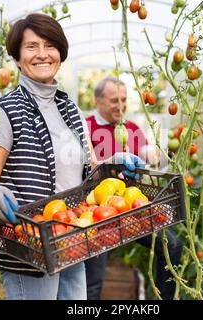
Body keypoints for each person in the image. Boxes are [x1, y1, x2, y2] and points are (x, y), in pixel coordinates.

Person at [0, 14, 144, 300]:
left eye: (50, 45)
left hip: (71, 239)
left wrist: (115, 161)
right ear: (16, 57)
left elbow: (89, 169)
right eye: (31, 46)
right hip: (29, 244)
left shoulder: (70, 109)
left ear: (60, 54)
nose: (42, 54)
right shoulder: (6, 111)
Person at [84, 76, 183, 300]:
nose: (121, 105)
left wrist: (165, 152)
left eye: (124, 99)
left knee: (172, 244)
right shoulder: (86, 127)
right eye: (113, 100)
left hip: (131, 208)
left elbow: (149, 154)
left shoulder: (130, 128)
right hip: (100, 214)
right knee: (94, 278)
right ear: (98, 100)